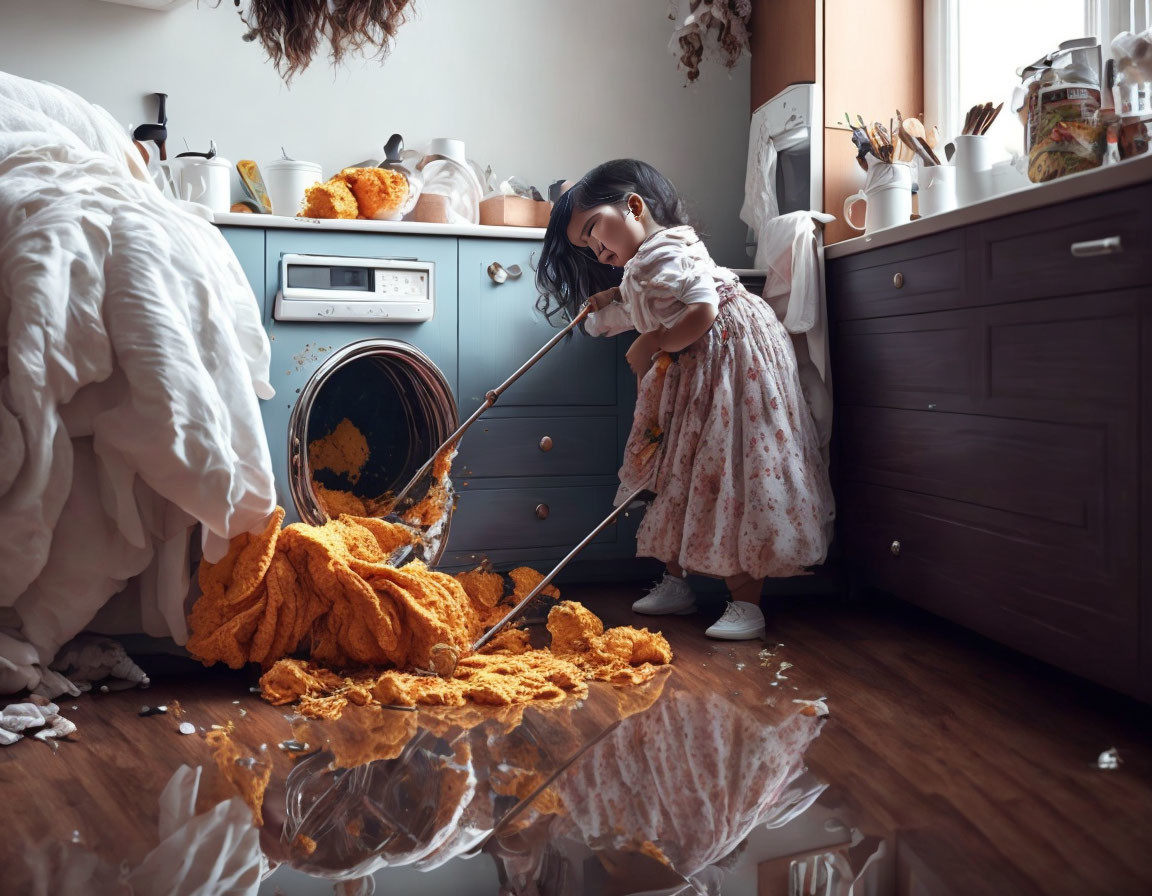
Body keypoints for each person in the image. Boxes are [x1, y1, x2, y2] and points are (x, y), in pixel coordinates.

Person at [535, 159, 834, 641]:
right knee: (679, 471)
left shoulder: (669, 251)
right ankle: (678, 582)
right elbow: (651, 298)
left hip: (730, 362)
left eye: (595, 232)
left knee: (734, 471)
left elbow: (701, 308)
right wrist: (610, 299)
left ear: (633, 207)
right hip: (696, 372)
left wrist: (652, 343)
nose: (597, 249)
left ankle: (746, 602)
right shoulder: (648, 260)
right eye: (588, 246)